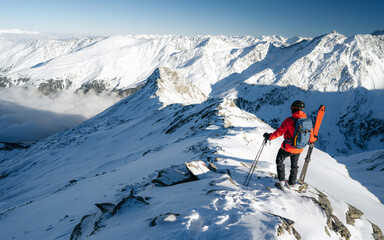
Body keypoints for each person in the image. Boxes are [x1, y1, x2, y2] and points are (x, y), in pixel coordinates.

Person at [263, 100, 316, 188]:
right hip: (299, 148)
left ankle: (281, 180)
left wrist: (269, 137)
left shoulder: (289, 121)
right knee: (294, 166)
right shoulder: (307, 122)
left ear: (293, 109)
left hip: (287, 147)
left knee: (279, 161)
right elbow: (311, 138)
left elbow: (279, 132)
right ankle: (291, 183)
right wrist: (315, 138)